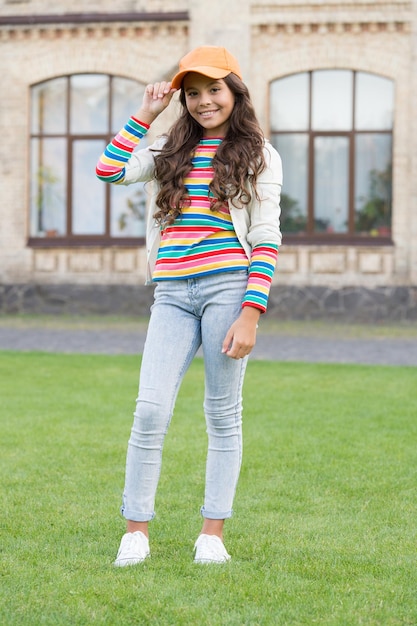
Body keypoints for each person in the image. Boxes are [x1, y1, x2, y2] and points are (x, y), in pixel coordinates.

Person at [96, 45, 282, 566]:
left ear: (235, 92)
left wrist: (252, 311)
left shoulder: (261, 154)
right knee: (150, 409)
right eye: (193, 93)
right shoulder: (167, 152)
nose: (204, 102)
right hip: (172, 294)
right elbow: (108, 170)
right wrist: (146, 113)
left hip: (229, 288)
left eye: (214, 90)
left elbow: (267, 235)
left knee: (223, 414)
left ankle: (212, 535)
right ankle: (136, 532)